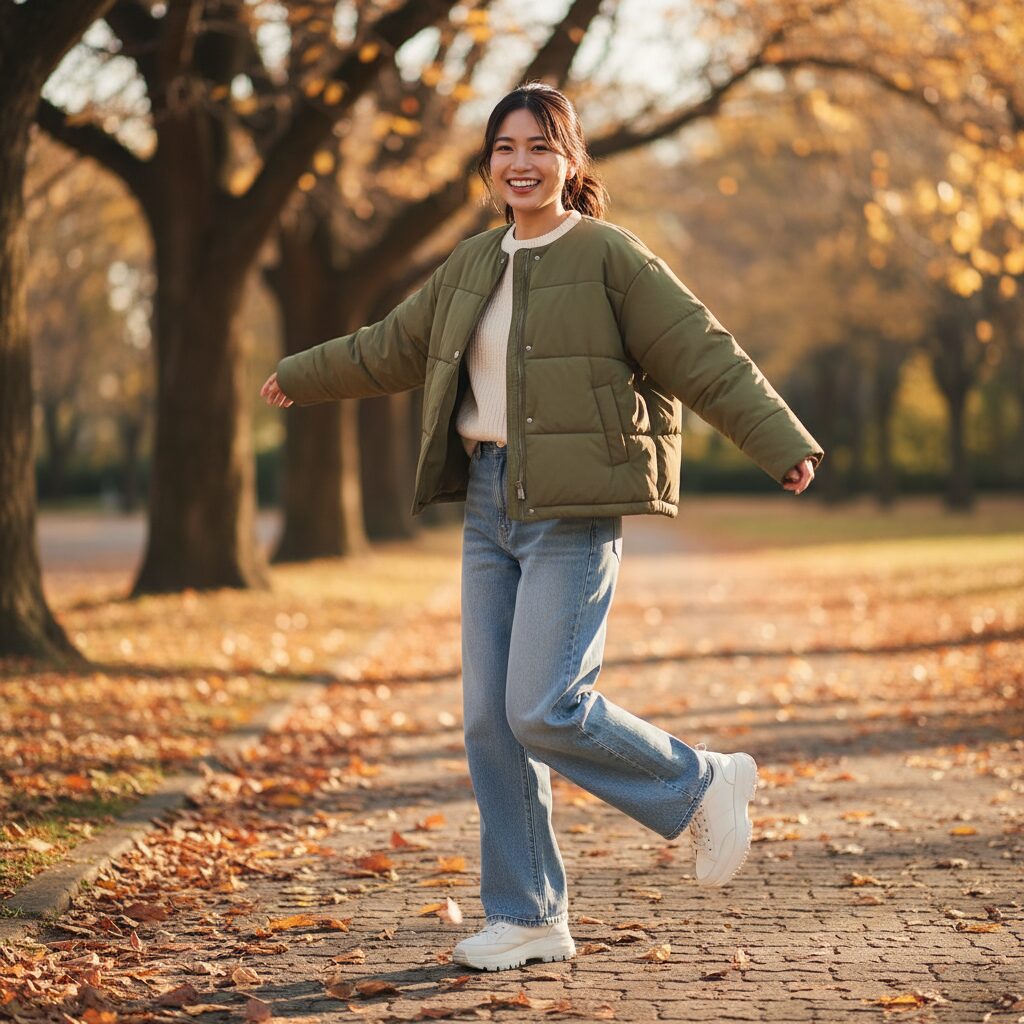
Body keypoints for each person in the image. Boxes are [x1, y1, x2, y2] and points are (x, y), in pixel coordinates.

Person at [261, 82, 823, 973]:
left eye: (539, 146)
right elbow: (391, 347)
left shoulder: (608, 256)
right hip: (488, 506)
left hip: (572, 509)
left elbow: (702, 351)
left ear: (571, 161)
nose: (520, 163)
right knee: (490, 721)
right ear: (488, 166)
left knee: (543, 707)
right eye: (504, 148)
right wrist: (303, 373)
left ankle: (701, 780)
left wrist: (779, 440)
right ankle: (527, 916)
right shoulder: (472, 263)